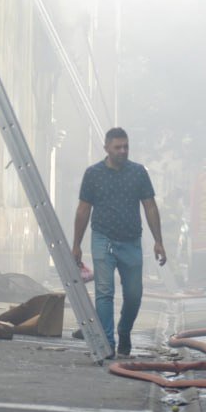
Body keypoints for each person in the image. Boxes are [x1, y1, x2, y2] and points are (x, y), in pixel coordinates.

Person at [72, 128, 168, 358]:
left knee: (134, 295)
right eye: (117, 147)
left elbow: (150, 206)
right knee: (105, 292)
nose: (122, 151)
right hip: (103, 238)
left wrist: (158, 241)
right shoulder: (93, 174)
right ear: (106, 148)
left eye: (126, 146)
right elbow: (84, 209)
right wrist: (76, 244)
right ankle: (107, 344)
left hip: (131, 241)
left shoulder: (138, 173)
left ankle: (124, 331)